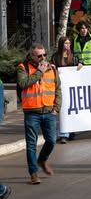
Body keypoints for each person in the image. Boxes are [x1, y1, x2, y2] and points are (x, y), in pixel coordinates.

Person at [17, 43, 62, 185]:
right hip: (32, 113)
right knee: (31, 144)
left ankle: (42, 160)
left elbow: (58, 89)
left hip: (49, 112)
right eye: (40, 56)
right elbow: (23, 84)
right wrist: (39, 72)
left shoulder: (52, 68)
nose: (43, 58)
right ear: (32, 56)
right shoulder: (23, 68)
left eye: (44, 55)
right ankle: (34, 173)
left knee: (51, 140)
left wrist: (57, 107)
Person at [51, 36, 82, 143]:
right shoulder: (55, 57)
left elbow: (80, 65)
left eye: (69, 43)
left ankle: (70, 132)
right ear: (61, 44)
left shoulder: (74, 56)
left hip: (71, 87)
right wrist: (55, 70)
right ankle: (64, 133)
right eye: (66, 43)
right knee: (62, 109)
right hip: (59, 86)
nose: (68, 45)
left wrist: (80, 65)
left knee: (70, 108)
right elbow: (51, 68)